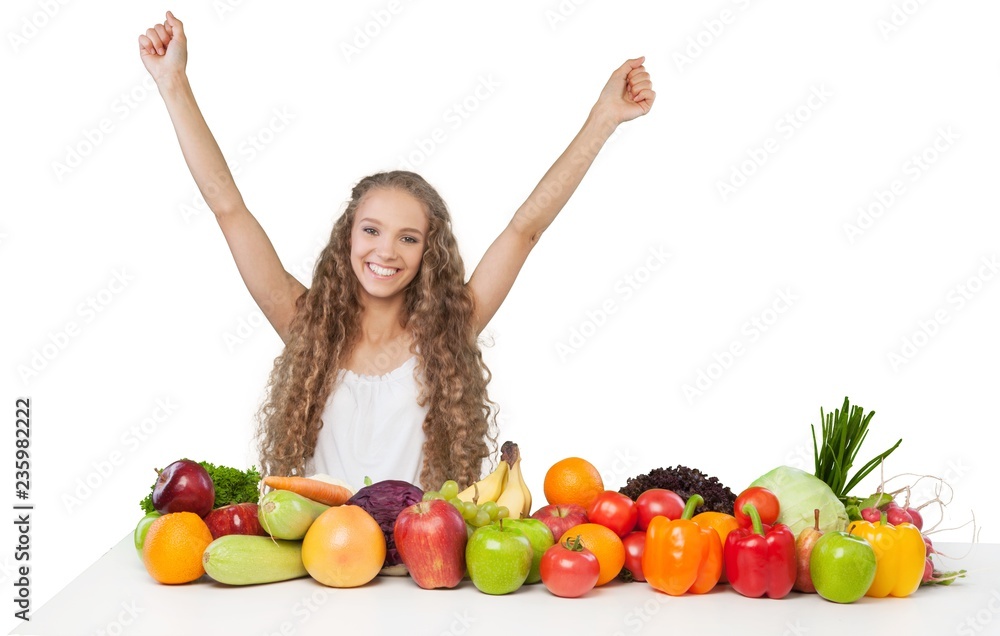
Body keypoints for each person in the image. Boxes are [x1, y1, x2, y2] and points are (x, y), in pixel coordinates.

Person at [138, 11, 655, 491]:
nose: (386, 251)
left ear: (429, 253)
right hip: (327, 563)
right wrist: (173, 84)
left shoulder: (449, 329)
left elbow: (526, 228)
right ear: (347, 238)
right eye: (371, 230)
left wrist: (604, 117)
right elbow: (227, 206)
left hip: (420, 574)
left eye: (409, 238)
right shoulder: (304, 322)